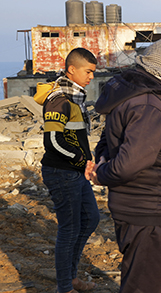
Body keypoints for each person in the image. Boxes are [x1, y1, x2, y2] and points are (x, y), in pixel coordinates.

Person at [86, 39, 161, 293]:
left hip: (144, 207)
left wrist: (101, 159)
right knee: (148, 284)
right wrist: (101, 174)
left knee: (155, 279)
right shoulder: (149, 104)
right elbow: (129, 162)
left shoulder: (131, 95)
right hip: (149, 209)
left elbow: (107, 139)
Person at [35, 47, 100, 293]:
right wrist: (82, 160)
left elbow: (75, 137)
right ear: (71, 70)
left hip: (75, 171)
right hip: (62, 173)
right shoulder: (59, 100)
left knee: (91, 218)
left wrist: (84, 161)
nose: (91, 77)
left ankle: (70, 277)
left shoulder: (75, 98)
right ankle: (65, 286)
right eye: (88, 71)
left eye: (94, 72)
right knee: (69, 228)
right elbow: (52, 142)